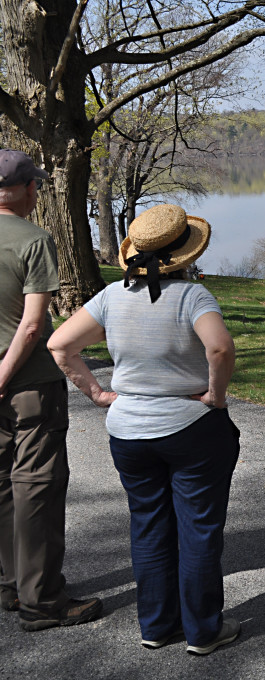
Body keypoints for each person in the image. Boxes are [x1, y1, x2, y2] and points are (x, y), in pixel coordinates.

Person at [48, 203, 241, 654]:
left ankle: (155, 626)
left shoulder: (111, 297)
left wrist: (98, 394)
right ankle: (203, 632)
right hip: (191, 428)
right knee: (198, 529)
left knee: (149, 527)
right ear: (187, 253)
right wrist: (215, 396)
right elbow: (219, 348)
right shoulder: (193, 297)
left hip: (129, 433)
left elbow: (60, 345)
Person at [0, 149, 103, 632]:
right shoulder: (35, 240)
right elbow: (32, 325)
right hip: (29, 385)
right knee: (36, 487)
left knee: (1, 484)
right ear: (24, 189)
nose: (38, 193)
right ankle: (42, 601)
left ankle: (11, 584)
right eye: (36, 185)